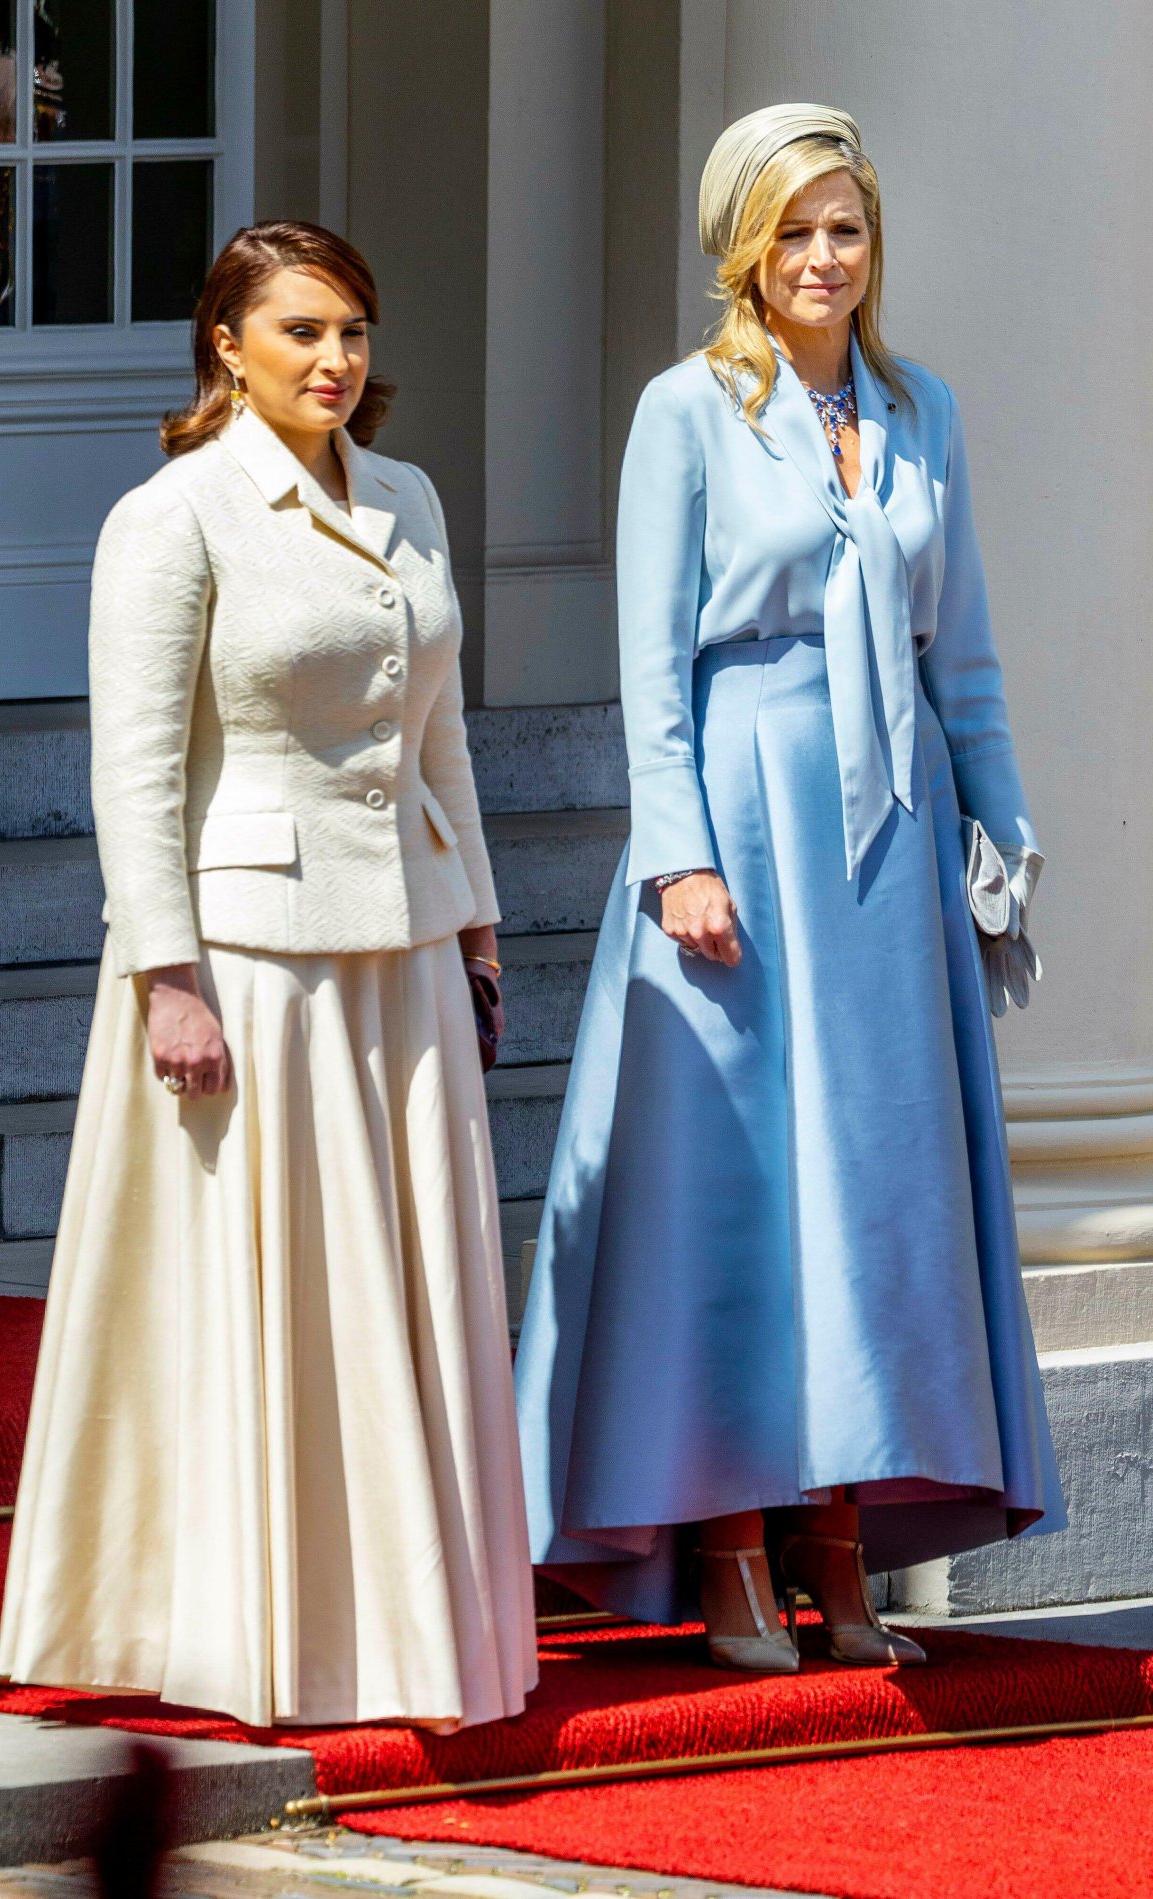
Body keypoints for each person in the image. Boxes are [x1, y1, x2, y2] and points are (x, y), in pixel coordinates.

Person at [514, 105, 1064, 1674]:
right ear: (742, 248)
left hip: (892, 841)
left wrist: (1001, 842)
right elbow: (651, 663)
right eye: (796, 229)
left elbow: (961, 652)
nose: (824, 257)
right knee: (742, 1189)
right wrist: (676, 849)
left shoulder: (921, 409)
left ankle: (841, 1535)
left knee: (875, 1191)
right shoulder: (684, 412)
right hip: (740, 826)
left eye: (848, 228)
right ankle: (737, 1541)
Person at [0, 220, 537, 1731]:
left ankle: (409, 1634)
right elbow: (136, 773)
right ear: (226, 343)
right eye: (302, 331)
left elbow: (442, 736)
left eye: (353, 331)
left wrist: (482, 927)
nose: (336, 360)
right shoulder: (171, 516)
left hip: (410, 948)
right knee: (273, 1308)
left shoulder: (412, 496)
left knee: (406, 1301)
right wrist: (164, 972)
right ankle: (258, 1641)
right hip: (252, 967)